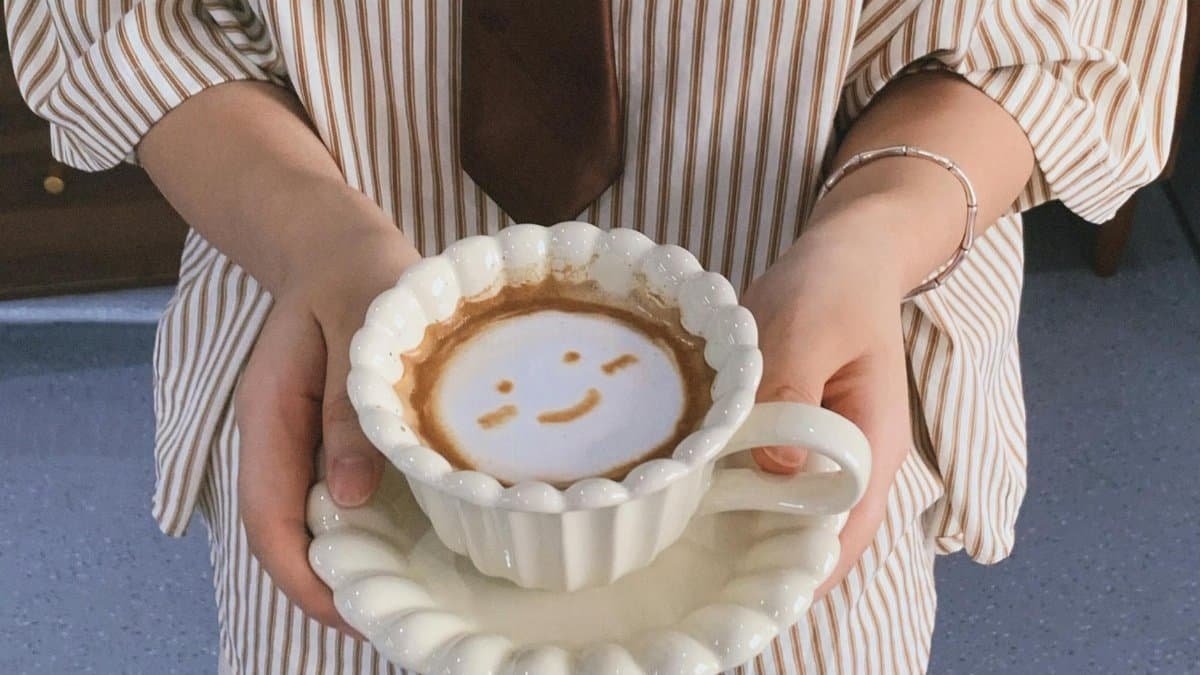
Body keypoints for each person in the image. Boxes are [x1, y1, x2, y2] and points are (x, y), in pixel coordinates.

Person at [6, 0, 1184, 672]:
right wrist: (305, 235)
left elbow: (1070, 35)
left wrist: (875, 235)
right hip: (338, 397)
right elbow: (118, 18)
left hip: (803, 419)